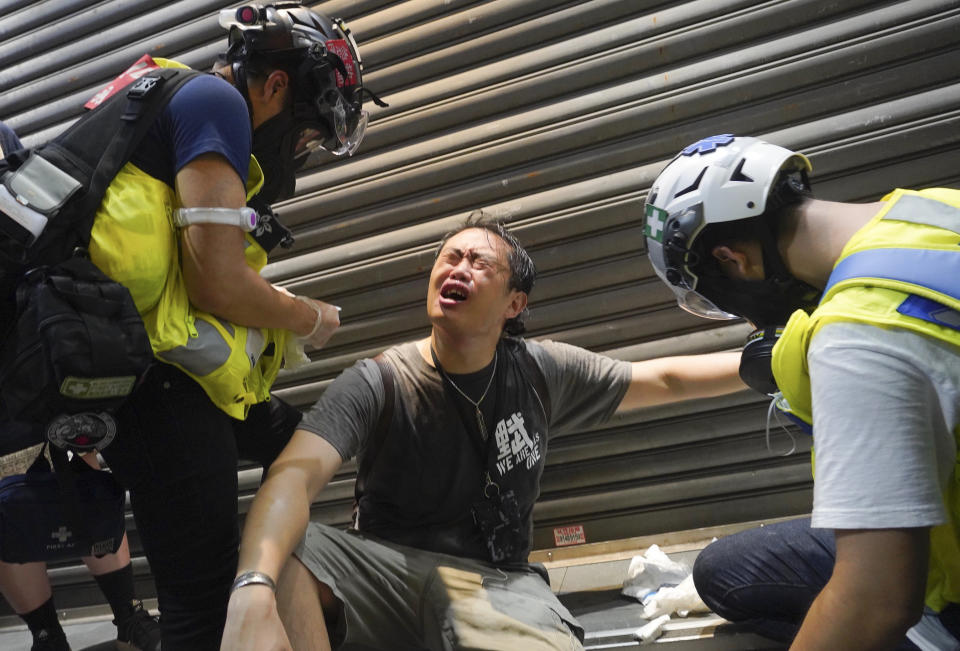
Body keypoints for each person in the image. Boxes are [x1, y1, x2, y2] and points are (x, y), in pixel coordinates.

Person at [1, 4, 380, 649]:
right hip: (155, 389)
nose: (302, 149)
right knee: (200, 606)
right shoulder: (217, 103)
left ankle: (308, 585)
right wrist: (307, 317)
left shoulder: (170, 89)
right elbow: (217, 281)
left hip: (155, 369)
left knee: (299, 439)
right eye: (309, 133)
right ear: (278, 87)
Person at [219, 215, 746, 650]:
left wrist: (771, 360)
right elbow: (294, 474)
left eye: (479, 262)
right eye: (449, 257)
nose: (458, 267)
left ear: (514, 304)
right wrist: (252, 588)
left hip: (500, 582)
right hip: (390, 577)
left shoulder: (541, 371)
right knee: (286, 544)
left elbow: (662, 377)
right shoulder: (379, 379)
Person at [643, 134, 960, 649]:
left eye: (727, 302)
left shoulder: (857, 335)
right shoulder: (930, 207)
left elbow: (878, 601)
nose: (746, 320)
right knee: (724, 569)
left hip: (944, 598)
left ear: (731, 259)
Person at [0, 121, 160, 651]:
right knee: (6, 507)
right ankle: (48, 636)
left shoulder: (7, 144)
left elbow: (58, 216)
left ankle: (127, 615)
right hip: (24, 346)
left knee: (82, 467)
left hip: (39, 339)